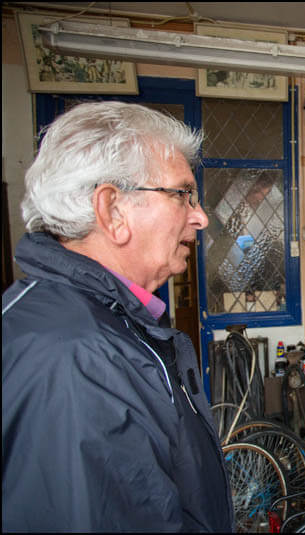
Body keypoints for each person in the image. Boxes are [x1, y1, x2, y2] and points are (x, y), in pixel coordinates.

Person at [2, 101, 234, 532]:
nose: (200, 217)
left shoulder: (100, 327)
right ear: (112, 210)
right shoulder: (77, 359)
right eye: (182, 194)